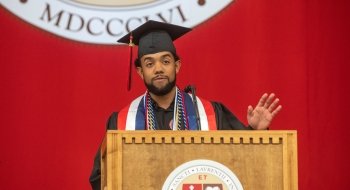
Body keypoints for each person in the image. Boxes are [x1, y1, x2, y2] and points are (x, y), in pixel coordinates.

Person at [89, 20, 282, 190]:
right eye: (149, 64)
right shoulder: (122, 121)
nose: (158, 69)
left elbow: (240, 161)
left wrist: (255, 132)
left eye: (165, 61)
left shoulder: (210, 114)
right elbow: (101, 177)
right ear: (140, 71)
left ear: (177, 65)